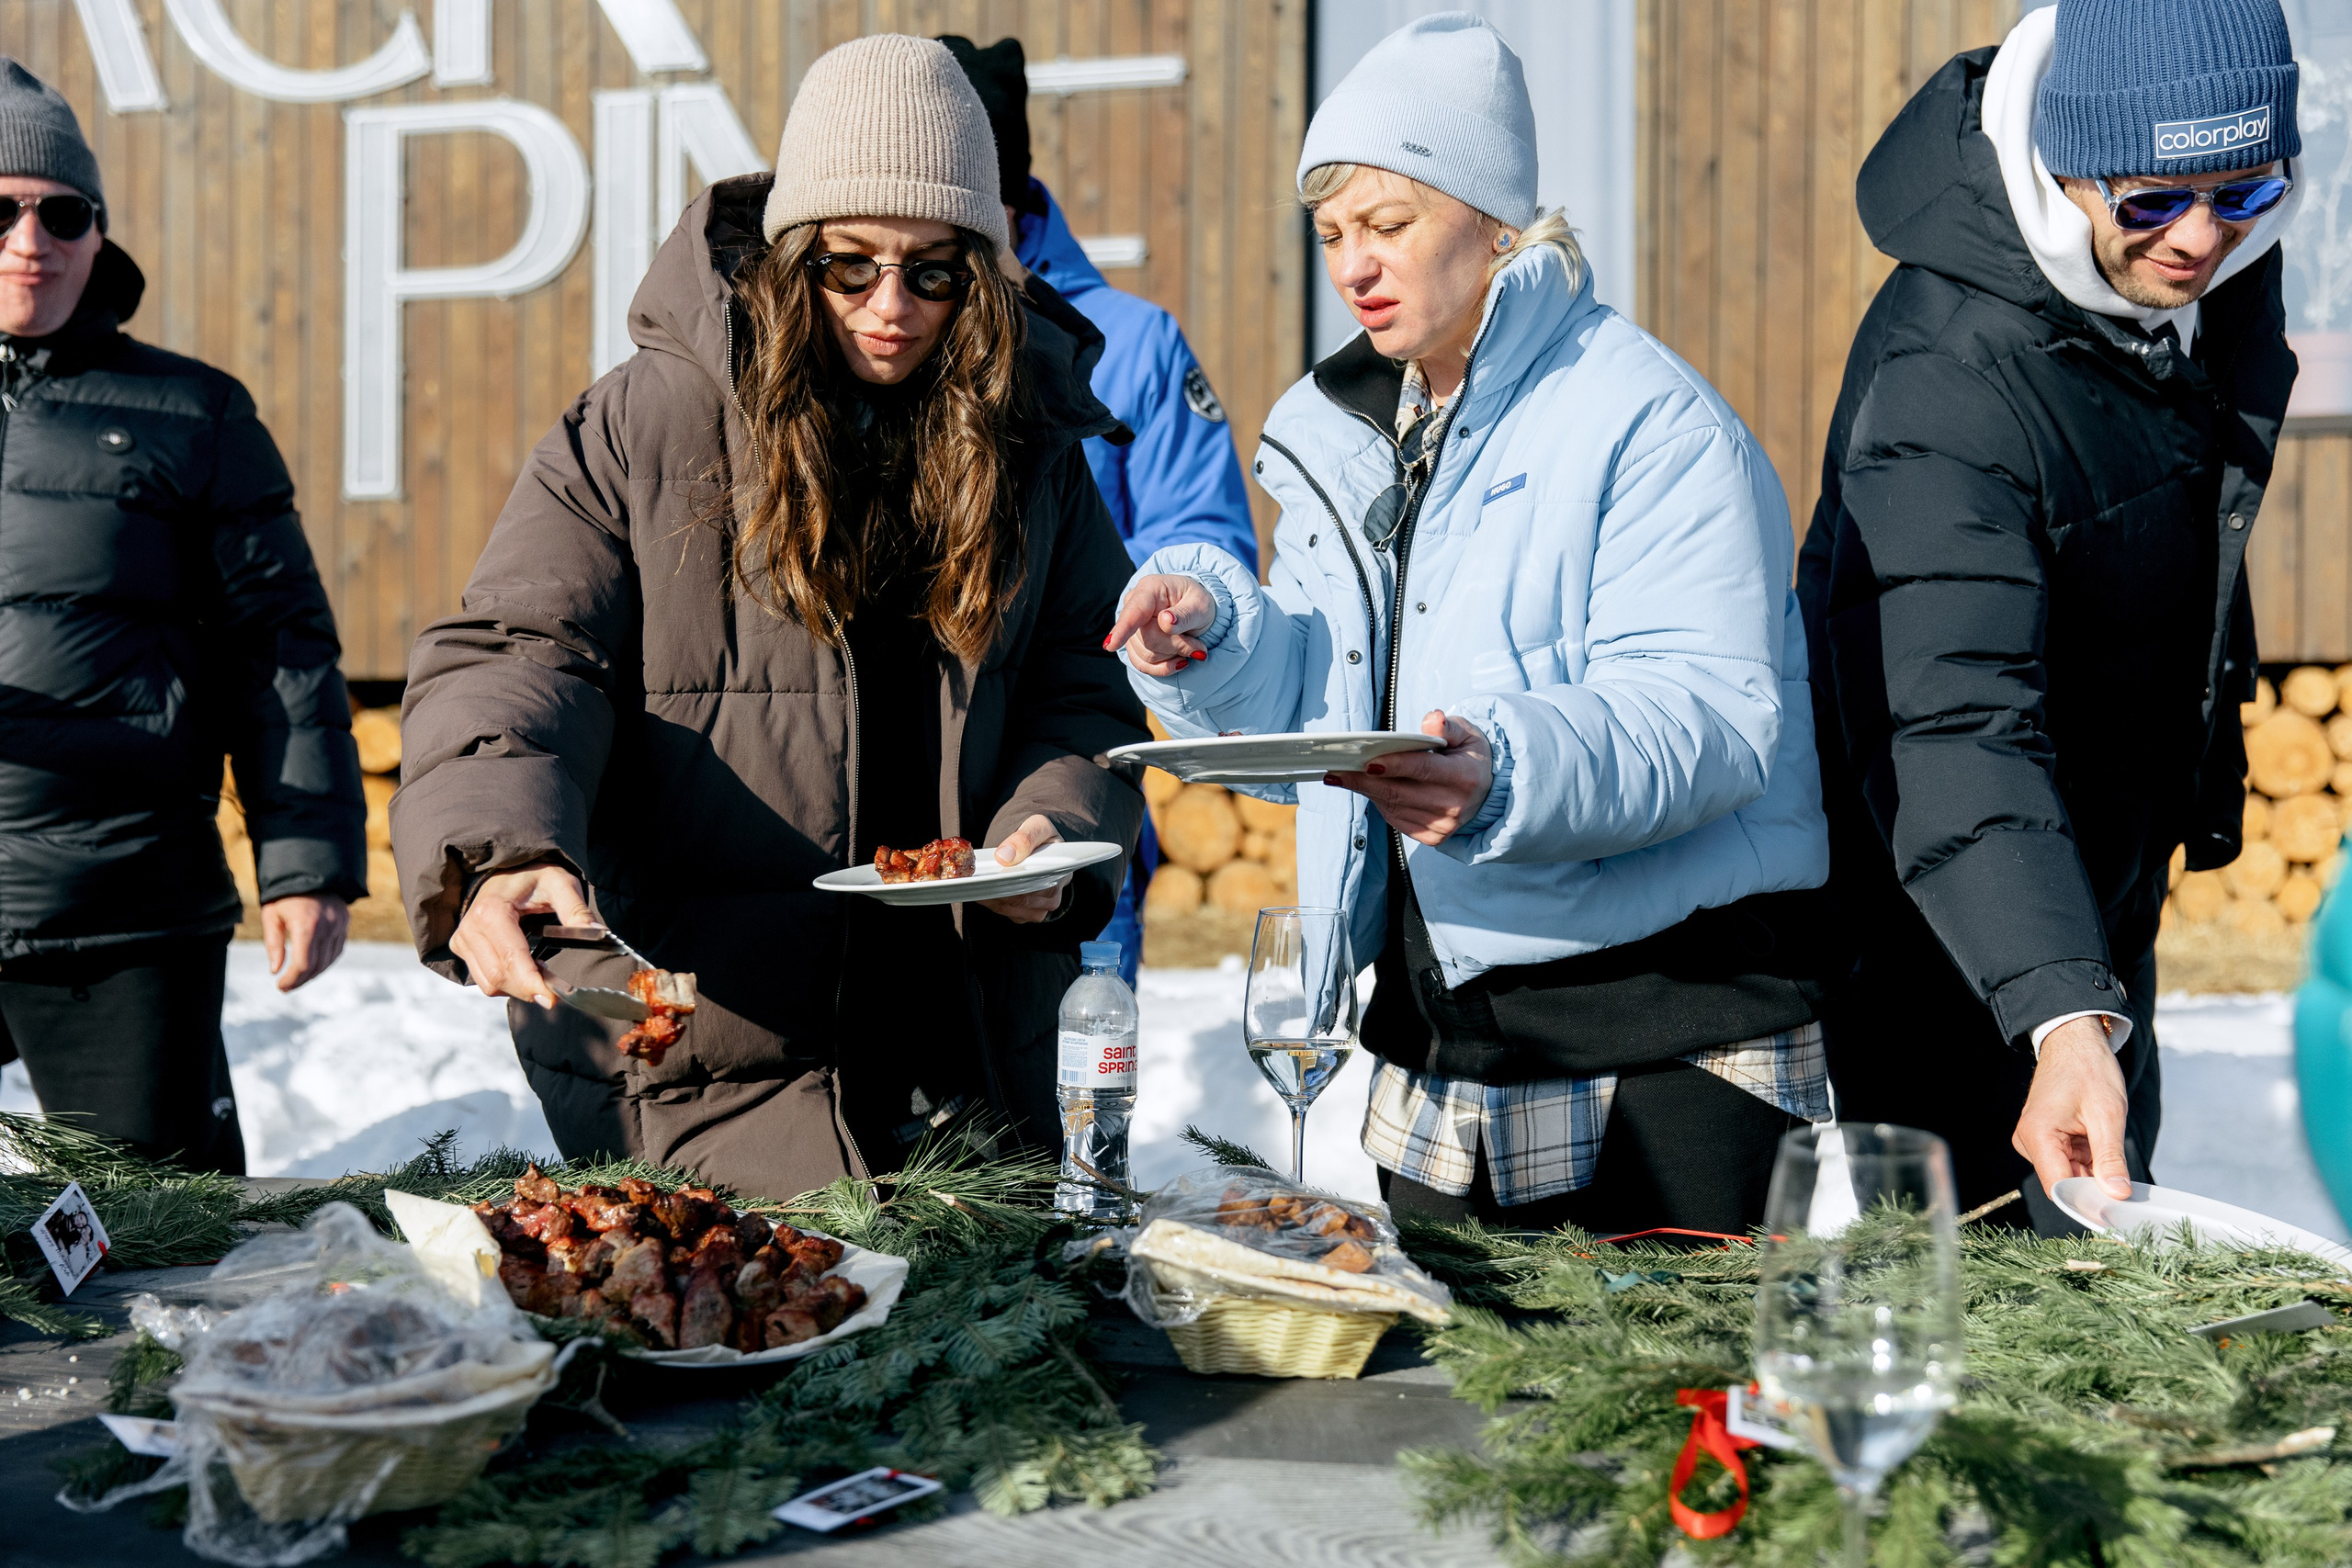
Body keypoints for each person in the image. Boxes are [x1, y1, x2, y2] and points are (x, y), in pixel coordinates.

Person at [1108, 14, 1833, 1234]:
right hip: (1445, 1040)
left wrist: (1504, 772)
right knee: (1463, 1420)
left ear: (1497, 222)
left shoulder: (1650, 422)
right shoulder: (1351, 438)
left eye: (1388, 223)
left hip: (1664, 1045)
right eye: (1332, 232)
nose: (1352, 264)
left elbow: (1713, 714)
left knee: (1663, 1421)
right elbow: (1330, 707)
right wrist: (1215, 641)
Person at [394, 34, 1149, 1201]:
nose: (889, 307)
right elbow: (523, 654)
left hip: (969, 1053)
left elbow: (1080, 684)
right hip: (711, 1055)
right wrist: (500, 853)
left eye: (934, 271)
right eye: (851, 266)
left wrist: (1052, 824)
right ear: (796, 255)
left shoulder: (1026, 439)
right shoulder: (646, 422)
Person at [1798, 0, 2301, 1224]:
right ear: (2059, 165)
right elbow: (1952, 720)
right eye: (2148, 202)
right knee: (1979, 1341)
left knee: (2109, 1299)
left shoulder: (2199, 268)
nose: (2196, 239)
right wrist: (2061, 1013)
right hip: (1947, 941)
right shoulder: (1948, 378)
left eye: (2240, 194)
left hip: (2098, 898)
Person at [0, 61, 366, 1173]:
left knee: (159, 1247)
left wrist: (304, 858)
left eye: (64, 214)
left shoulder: (193, 411)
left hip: (124, 905)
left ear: (99, 236)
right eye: (2, 209)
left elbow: (279, 650)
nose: (32, 240)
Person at [942, 34, 1259, 989]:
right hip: (887, 835)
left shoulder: (1129, 344)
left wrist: (1174, 599)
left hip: (1065, 802)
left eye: (965, 198)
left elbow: (1202, 534)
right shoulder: (861, 343)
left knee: (1075, 1119)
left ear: (1009, 188)